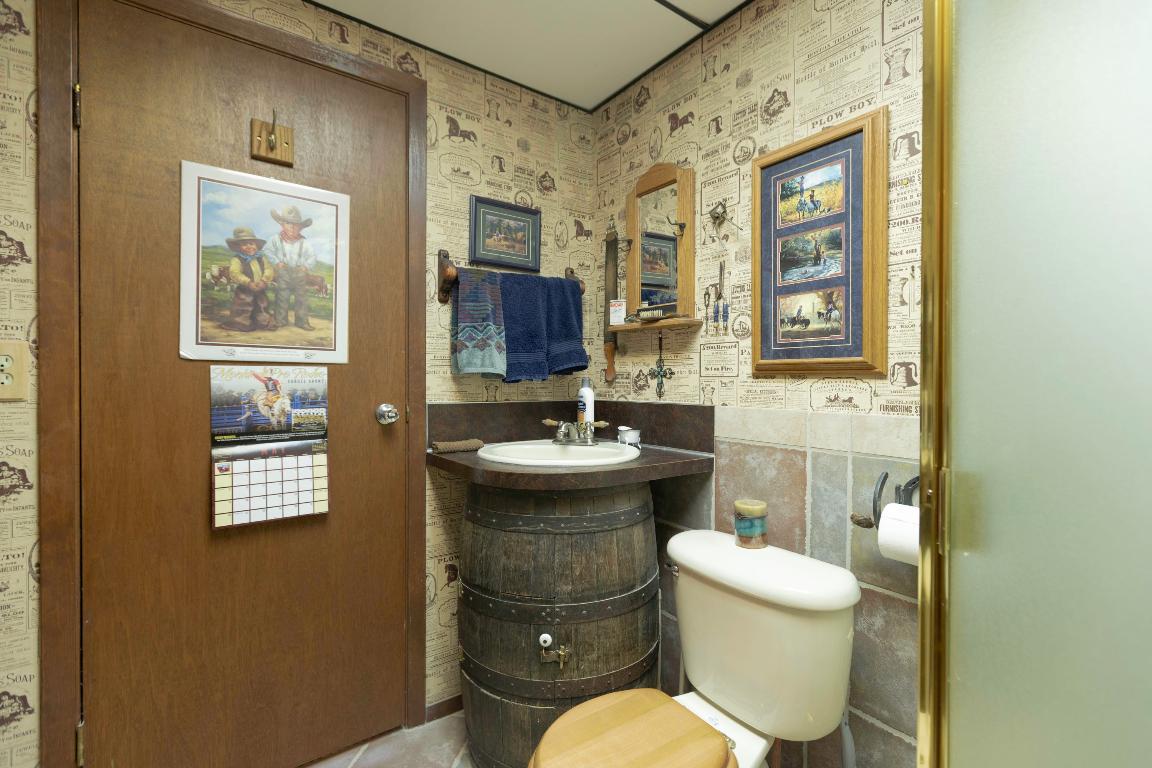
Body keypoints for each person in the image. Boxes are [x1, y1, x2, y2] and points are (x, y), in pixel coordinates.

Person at [265, 206, 317, 331]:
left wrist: (306, 266)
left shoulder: (304, 242)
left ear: (301, 227)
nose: (292, 227)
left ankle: (302, 321)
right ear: (282, 224)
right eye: (288, 223)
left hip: (299, 273)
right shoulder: (275, 239)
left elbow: (312, 256)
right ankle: (280, 320)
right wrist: (277, 262)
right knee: (282, 295)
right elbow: (268, 251)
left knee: (301, 298)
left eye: (296, 225)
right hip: (283, 272)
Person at [220, 227, 276, 332]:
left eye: (251, 244)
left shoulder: (261, 258)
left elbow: (269, 269)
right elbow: (235, 273)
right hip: (245, 289)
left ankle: (262, 322)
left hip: (260, 287)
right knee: (244, 305)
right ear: (238, 247)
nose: (249, 247)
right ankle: (241, 322)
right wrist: (248, 282)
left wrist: (264, 280)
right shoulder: (237, 259)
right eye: (244, 244)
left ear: (256, 245)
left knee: (262, 305)